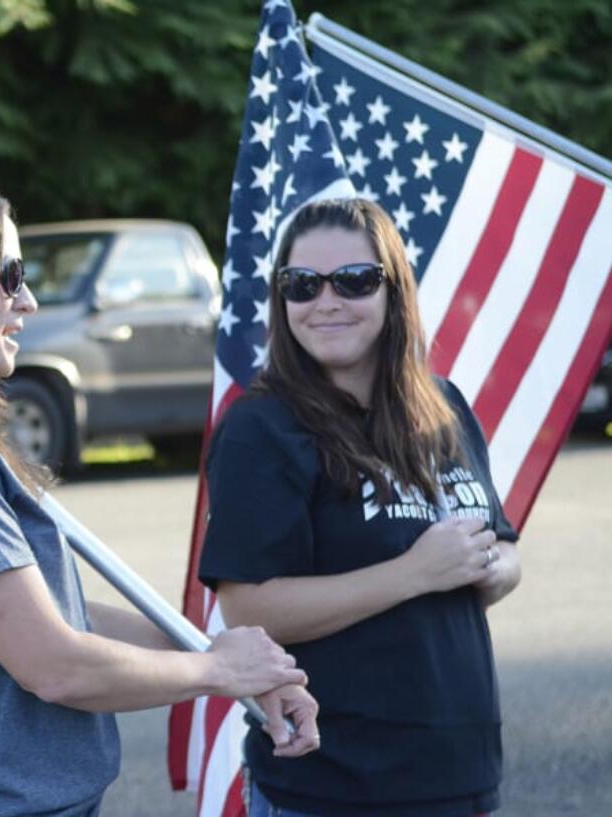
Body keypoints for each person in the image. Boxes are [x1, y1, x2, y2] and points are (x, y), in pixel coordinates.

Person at [0, 179, 320, 817]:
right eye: (11, 274)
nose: (29, 300)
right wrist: (220, 673)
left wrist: (216, 653)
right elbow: (56, 665)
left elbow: (55, 617)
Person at [198, 197, 522, 817]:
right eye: (301, 285)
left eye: (354, 281)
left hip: (461, 772)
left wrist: (489, 567)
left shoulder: (444, 406)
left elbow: (503, 549)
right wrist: (415, 574)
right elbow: (247, 606)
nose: (326, 302)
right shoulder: (261, 428)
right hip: (335, 783)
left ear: (393, 290)